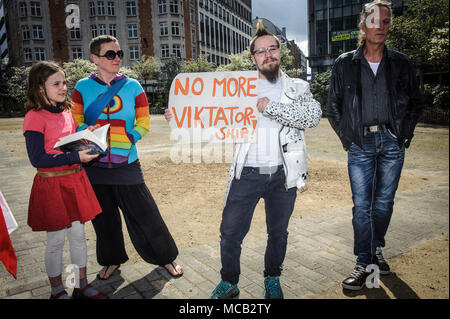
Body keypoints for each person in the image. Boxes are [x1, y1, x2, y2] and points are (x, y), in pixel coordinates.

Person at [166, 20, 322, 299]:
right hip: (246, 172)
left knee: (278, 232)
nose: (268, 55)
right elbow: (207, 117)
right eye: (261, 51)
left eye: (272, 48)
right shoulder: (236, 88)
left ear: (279, 52)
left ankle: (272, 278)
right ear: (253, 58)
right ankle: (229, 282)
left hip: (283, 176)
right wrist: (179, 115)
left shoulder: (297, 87)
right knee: (230, 232)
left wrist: (271, 108)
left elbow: (312, 118)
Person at [327, 0, 424, 291]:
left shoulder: (401, 63)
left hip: (392, 142)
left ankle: (375, 249)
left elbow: (416, 103)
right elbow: (333, 108)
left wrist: (403, 135)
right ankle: (364, 263)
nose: (379, 27)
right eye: (373, 21)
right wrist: (348, 139)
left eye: (385, 22)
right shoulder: (345, 62)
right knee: (362, 206)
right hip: (361, 143)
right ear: (362, 26)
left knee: (383, 203)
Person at [71, 35, 183, 281]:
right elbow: (75, 121)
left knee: (146, 214)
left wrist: (129, 138)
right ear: (95, 58)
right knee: (104, 219)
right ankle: (111, 261)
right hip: (94, 165)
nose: (117, 58)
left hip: (127, 164)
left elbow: (143, 122)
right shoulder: (81, 87)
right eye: (110, 54)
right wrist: (85, 133)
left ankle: (165, 257)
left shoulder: (134, 86)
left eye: (119, 53)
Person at [23, 61, 108, 299]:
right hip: (52, 185)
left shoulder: (67, 113)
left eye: (64, 82)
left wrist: (87, 138)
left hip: (74, 181)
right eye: (56, 84)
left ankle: (81, 285)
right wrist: (75, 155)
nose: (63, 88)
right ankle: (57, 291)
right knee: (56, 241)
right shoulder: (34, 117)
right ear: (40, 88)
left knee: (79, 237)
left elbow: (67, 145)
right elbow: (38, 158)